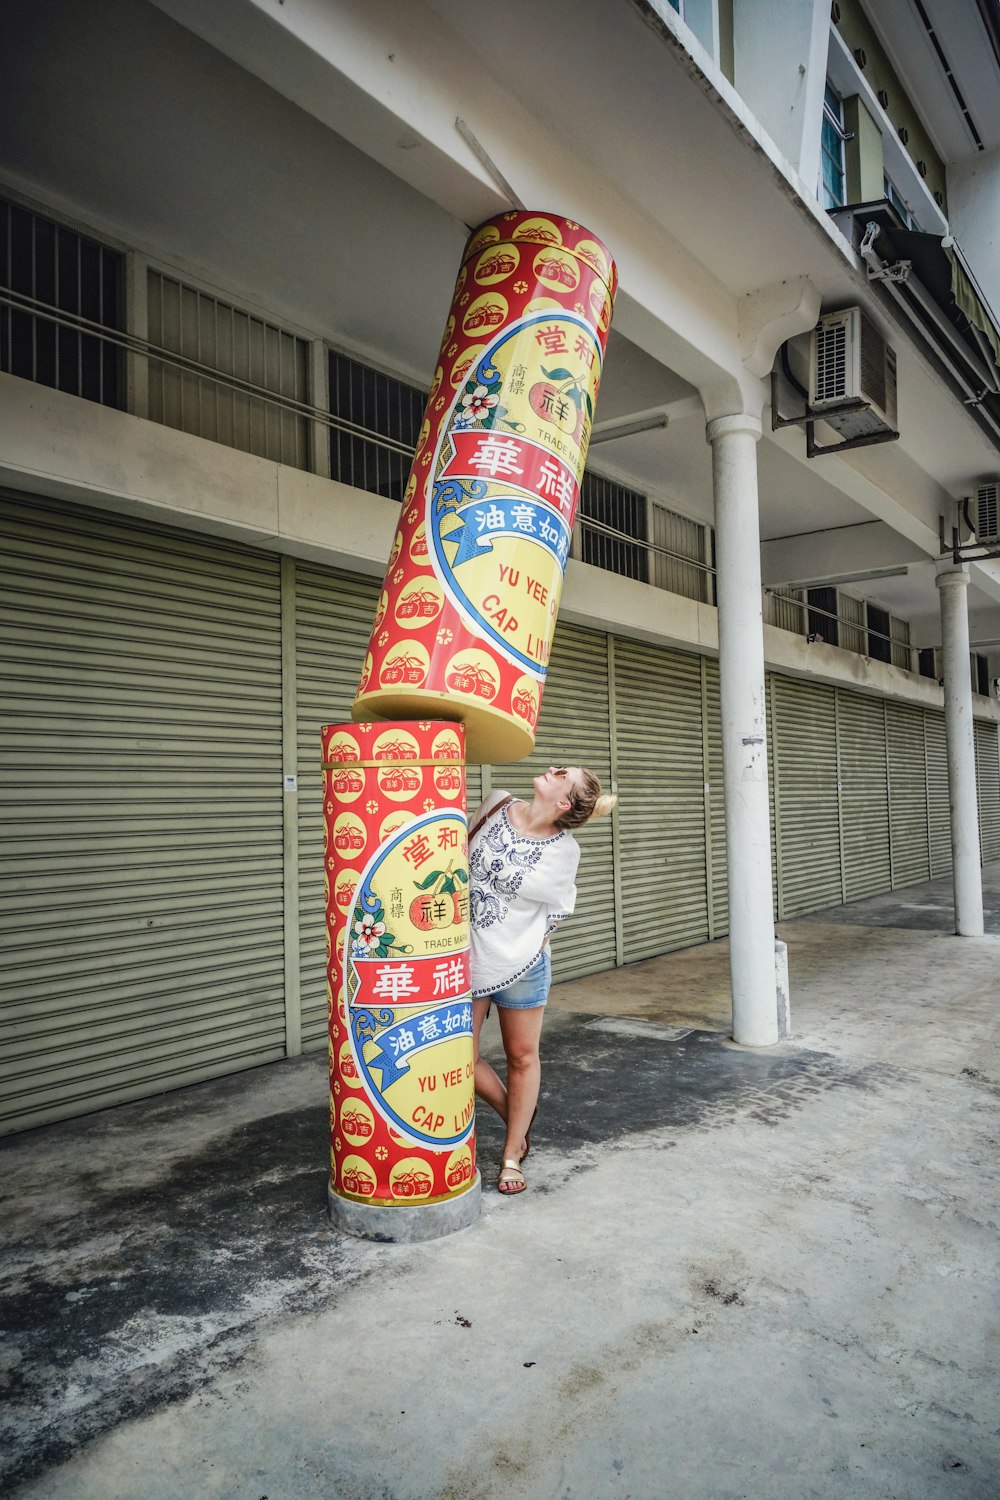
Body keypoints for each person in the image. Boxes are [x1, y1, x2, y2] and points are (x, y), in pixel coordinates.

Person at [468, 765, 617, 1195]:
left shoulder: (564, 851)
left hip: (523, 962)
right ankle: (515, 1111)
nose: (551, 769)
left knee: (522, 1057)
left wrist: (516, 945)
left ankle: (512, 1153)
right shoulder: (496, 802)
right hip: (470, 959)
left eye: (561, 774)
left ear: (564, 802)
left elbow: (555, 912)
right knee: (459, 1056)